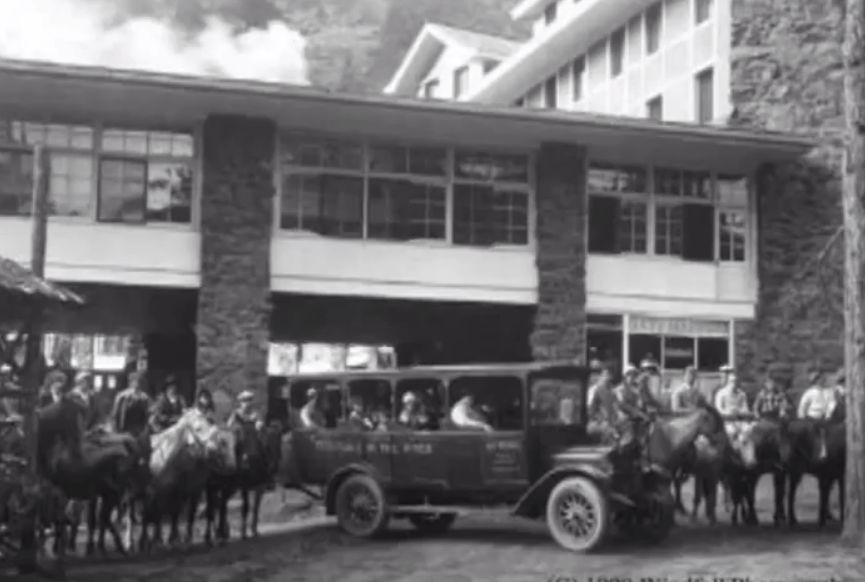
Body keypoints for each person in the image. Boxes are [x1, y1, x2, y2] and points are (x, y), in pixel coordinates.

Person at [797, 368, 837, 460]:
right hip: (811, 417)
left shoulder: (828, 392)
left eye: (822, 379)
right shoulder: (809, 392)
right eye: (819, 379)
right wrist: (802, 418)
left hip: (824, 417)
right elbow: (803, 406)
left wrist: (828, 414)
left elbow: (831, 403)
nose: (821, 381)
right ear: (815, 381)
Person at [111, 371, 152, 437]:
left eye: (139, 381)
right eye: (135, 381)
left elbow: (147, 414)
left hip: (138, 430)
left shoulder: (144, 397)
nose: (137, 383)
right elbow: (116, 415)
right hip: (126, 430)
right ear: (131, 382)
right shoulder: (122, 396)